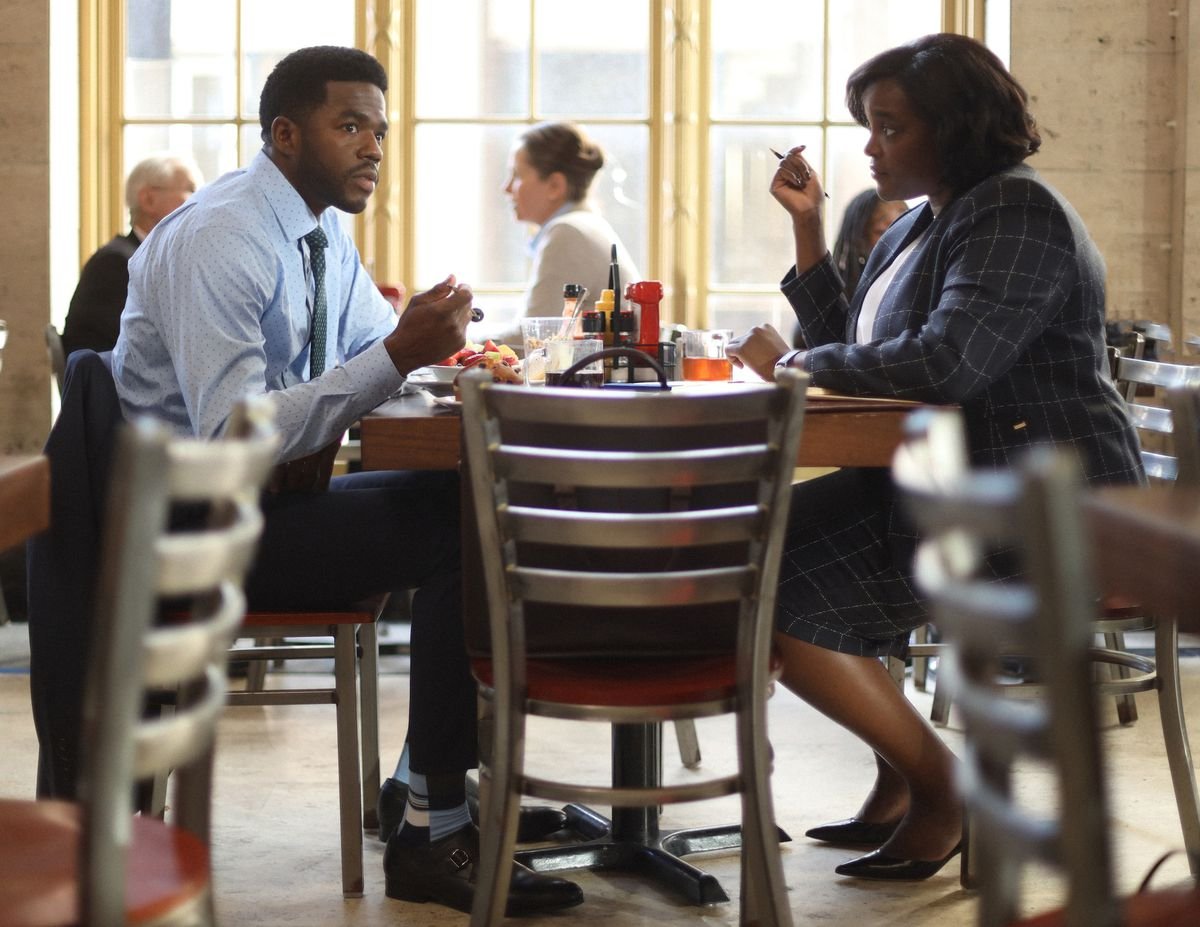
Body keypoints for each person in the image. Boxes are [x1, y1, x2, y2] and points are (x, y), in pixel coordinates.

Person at [111, 46, 582, 917]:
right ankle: (433, 828)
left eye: (380, 129)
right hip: (189, 532)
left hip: (259, 505)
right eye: (350, 125)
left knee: (479, 505)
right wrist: (402, 351)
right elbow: (228, 434)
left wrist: (458, 344)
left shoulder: (321, 228)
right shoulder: (226, 235)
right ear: (286, 135)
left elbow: (379, 352)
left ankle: (426, 794)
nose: (373, 147)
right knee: (465, 525)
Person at [726, 33, 1143, 882]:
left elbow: (948, 360)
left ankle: (944, 788)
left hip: (1039, 506)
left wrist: (799, 365)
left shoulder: (1013, 211)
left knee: (775, 588)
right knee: (757, 544)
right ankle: (902, 776)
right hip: (951, 481)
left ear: (953, 127)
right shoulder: (929, 220)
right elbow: (864, 345)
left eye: (889, 127)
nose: (870, 147)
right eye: (868, 126)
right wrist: (810, 230)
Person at [486, 121, 640, 345]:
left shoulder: (567, 233)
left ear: (555, 186)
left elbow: (532, 339)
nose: (507, 188)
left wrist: (453, 345)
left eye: (516, 175)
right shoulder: (583, 226)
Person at [61, 154, 201, 356]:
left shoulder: (146, 259)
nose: (199, 201)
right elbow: (147, 346)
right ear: (148, 200)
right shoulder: (117, 263)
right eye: (191, 190)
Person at [794, 189, 907, 347]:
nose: (900, 239)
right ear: (859, 241)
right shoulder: (840, 299)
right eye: (882, 231)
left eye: (907, 228)